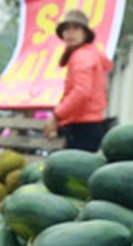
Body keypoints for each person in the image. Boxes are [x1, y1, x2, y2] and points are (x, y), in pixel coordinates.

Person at [42, 9, 112, 152]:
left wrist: (56, 116)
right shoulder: (85, 54)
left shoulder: (82, 57)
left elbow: (81, 92)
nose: (70, 33)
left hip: (84, 127)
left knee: (72, 172)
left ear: (85, 33)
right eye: (66, 29)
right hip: (87, 125)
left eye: (76, 28)